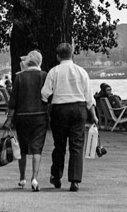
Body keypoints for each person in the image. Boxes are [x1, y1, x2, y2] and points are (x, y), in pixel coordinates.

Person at [41, 42, 97, 192]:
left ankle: (56, 176)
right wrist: (93, 115)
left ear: (58, 56)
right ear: (72, 54)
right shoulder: (81, 72)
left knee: (59, 145)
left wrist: (46, 105)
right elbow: (89, 97)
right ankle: (75, 180)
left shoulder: (54, 71)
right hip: (79, 109)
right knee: (76, 145)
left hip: (60, 109)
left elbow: (45, 93)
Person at [4, 50, 48, 191]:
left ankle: (22, 177)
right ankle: (34, 178)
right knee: (37, 148)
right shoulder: (44, 76)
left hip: (22, 116)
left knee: (22, 148)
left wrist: (9, 119)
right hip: (40, 115)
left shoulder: (20, 77)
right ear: (40, 61)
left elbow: (13, 101)